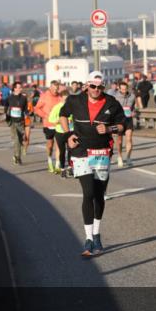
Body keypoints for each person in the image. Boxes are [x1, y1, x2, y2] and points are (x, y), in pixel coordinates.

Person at [60, 71, 127, 257]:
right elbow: (62, 115)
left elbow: (123, 124)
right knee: (88, 192)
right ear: (86, 86)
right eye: (93, 86)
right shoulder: (75, 101)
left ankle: (97, 234)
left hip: (102, 153)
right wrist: (68, 135)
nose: (96, 90)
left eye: (99, 87)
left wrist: (109, 128)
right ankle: (88, 238)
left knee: (99, 195)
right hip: (81, 151)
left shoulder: (111, 103)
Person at [33, 81, 63, 173]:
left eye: (57, 89)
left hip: (58, 124)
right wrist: (45, 116)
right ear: (50, 87)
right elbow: (37, 108)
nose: (55, 90)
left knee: (59, 144)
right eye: (53, 88)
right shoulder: (44, 96)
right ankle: (49, 160)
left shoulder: (60, 96)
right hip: (48, 124)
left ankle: (58, 165)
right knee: (50, 145)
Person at [6, 81, 31, 165]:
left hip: (20, 122)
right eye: (19, 87)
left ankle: (16, 155)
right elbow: (6, 108)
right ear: (15, 88)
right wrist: (7, 119)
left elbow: (25, 109)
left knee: (20, 140)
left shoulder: (23, 98)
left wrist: (27, 114)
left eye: (21, 87)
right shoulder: (9, 98)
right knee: (16, 139)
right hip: (13, 122)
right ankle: (17, 157)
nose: (21, 89)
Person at [116, 81, 136, 167]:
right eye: (122, 89)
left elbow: (134, 108)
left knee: (129, 139)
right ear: (119, 88)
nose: (124, 90)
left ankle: (128, 158)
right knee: (119, 141)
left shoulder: (132, 96)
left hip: (128, 119)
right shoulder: (115, 97)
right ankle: (120, 157)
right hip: (119, 120)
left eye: (125, 89)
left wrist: (133, 112)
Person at [51, 88, 71, 175]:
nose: (66, 100)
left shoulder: (71, 106)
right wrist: (61, 121)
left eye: (67, 98)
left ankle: (70, 168)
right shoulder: (57, 107)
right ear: (61, 98)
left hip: (70, 131)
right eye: (64, 98)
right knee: (62, 151)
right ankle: (62, 168)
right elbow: (51, 119)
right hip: (60, 132)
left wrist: (71, 120)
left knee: (71, 150)